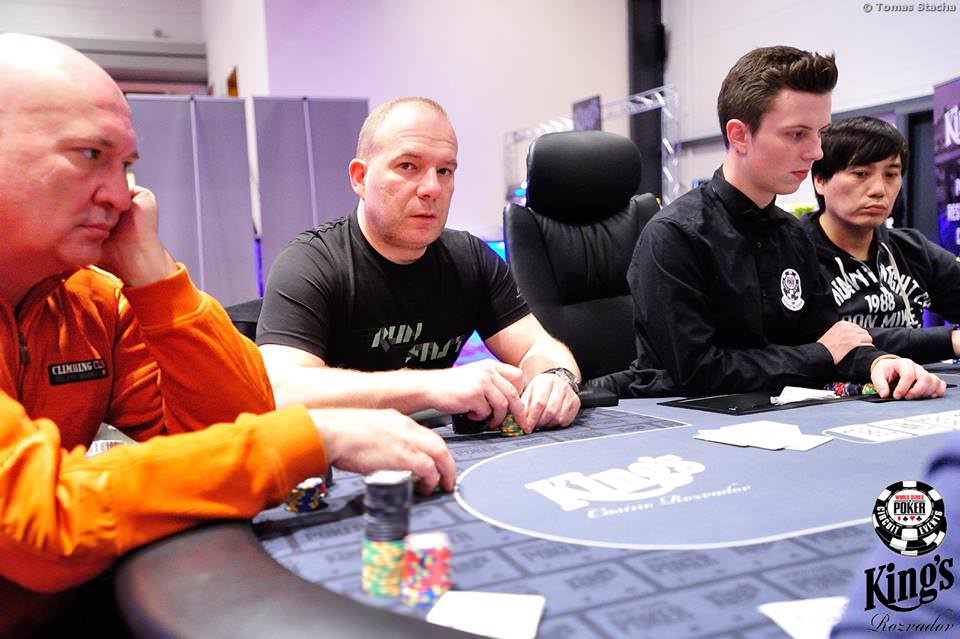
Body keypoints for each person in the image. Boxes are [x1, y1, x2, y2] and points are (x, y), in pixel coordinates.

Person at [0, 34, 455, 636]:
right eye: (90, 154)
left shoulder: (94, 299)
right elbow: (40, 524)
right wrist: (316, 434)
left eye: (126, 165)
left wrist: (155, 276)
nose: (122, 196)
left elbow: (235, 422)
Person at [624, 45, 944, 399]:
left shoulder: (792, 234)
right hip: (689, 420)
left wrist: (879, 363)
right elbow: (698, 372)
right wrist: (820, 355)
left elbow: (828, 335)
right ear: (739, 135)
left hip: (783, 413)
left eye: (820, 132)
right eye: (797, 134)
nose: (816, 151)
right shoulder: (675, 236)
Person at [257, 98, 582, 433]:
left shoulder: (470, 258)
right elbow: (281, 390)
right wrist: (432, 386)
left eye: (445, 171)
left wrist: (555, 379)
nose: (431, 188)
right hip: (346, 453)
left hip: (433, 445)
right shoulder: (310, 263)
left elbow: (538, 346)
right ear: (360, 178)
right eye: (408, 166)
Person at [803, 116, 960, 361]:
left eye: (891, 174)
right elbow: (822, 339)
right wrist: (949, 340)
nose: (878, 190)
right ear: (820, 180)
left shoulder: (912, 249)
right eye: (860, 174)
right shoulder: (793, 253)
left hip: (917, 383)